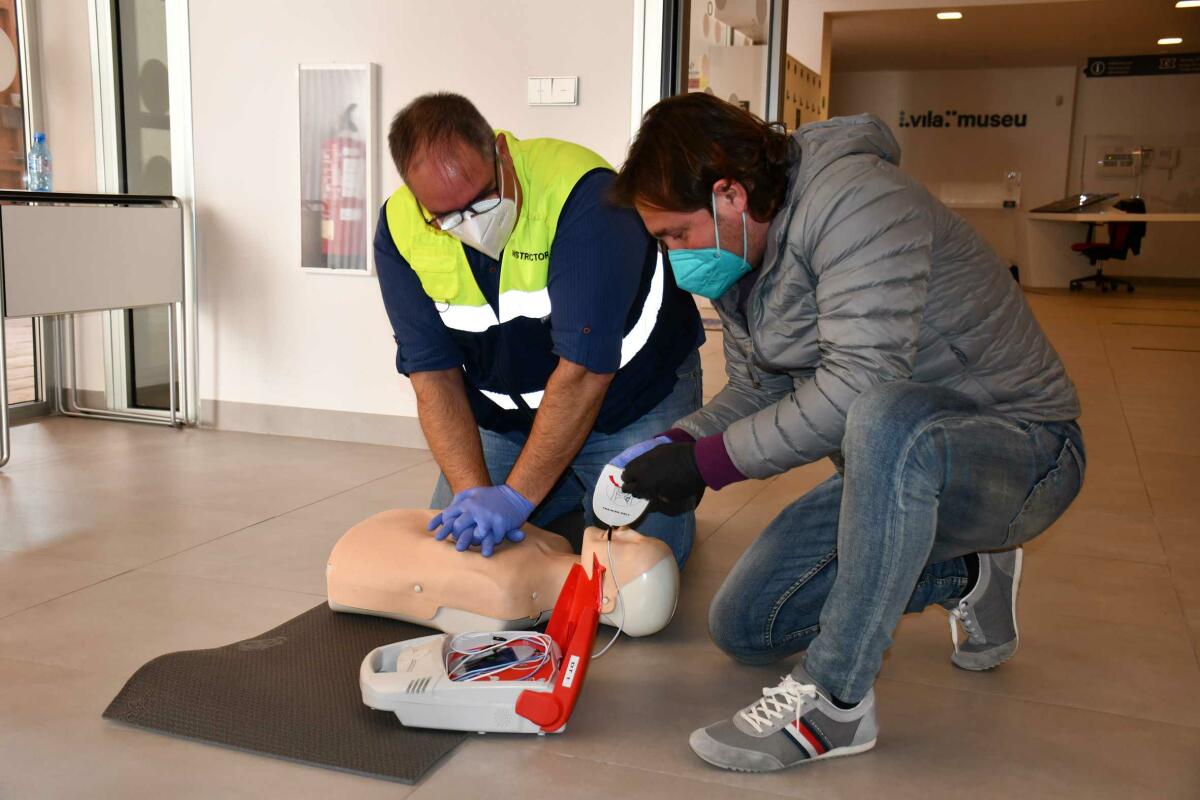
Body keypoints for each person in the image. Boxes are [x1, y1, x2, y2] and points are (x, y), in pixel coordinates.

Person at [611, 93, 1084, 771]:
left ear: (730, 195)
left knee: (886, 413)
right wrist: (680, 445)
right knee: (746, 624)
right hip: (895, 469)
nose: (673, 256)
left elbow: (861, 385)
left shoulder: (859, 201)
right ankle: (969, 568)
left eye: (675, 236)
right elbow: (756, 390)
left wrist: (712, 466)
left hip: (1026, 451)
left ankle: (836, 703)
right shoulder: (741, 255)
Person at [374, 92, 703, 566]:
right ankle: (566, 495)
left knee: (635, 579)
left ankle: (570, 496)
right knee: (458, 559)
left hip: (630, 401)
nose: (470, 223)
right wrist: (474, 494)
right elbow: (433, 375)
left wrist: (515, 500)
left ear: (501, 154)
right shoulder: (400, 226)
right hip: (508, 422)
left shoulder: (586, 195)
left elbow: (585, 373)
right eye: (446, 216)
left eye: (482, 198)